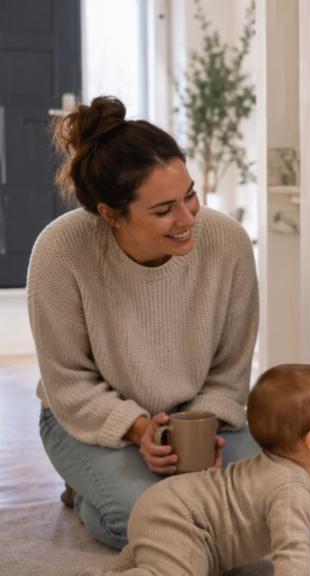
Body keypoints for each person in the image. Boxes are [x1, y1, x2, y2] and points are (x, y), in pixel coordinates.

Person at [28, 95, 261, 549]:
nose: (187, 217)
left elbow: (230, 370)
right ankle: (87, 494)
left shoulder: (227, 243)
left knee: (263, 506)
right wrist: (138, 430)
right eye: (162, 210)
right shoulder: (61, 252)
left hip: (196, 420)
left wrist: (202, 426)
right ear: (110, 215)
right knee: (150, 523)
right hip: (87, 422)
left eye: (189, 195)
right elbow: (68, 383)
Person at [80, 364, 310, 576]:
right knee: (176, 570)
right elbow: (291, 553)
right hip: (180, 516)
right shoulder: (289, 489)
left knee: (164, 554)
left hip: (173, 505)